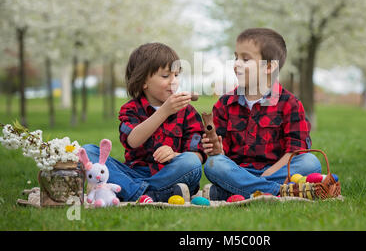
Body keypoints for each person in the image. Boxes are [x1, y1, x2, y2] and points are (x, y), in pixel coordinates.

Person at [201, 28, 321, 200]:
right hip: (238, 170)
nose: (236, 64)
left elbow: (295, 150)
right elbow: (221, 154)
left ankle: (235, 191)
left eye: (246, 59)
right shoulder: (224, 104)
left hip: (277, 170)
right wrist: (216, 150)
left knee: (310, 162)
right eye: (236, 57)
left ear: (270, 67)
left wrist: (267, 175)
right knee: (213, 165)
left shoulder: (290, 104)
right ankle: (276, 192)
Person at [83, 43, 205, 202]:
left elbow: (198, 155)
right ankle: (153, 194)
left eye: (176, 75)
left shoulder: (187, 112)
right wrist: (164, 111)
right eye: (166, 76)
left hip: (170, 174)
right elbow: (133, 141)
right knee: (88, 151)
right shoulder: (130, 109)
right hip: (133, 173)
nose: (173, 81)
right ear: (143, 82)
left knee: (191, 162)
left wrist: (175, 155)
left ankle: (131, 191)